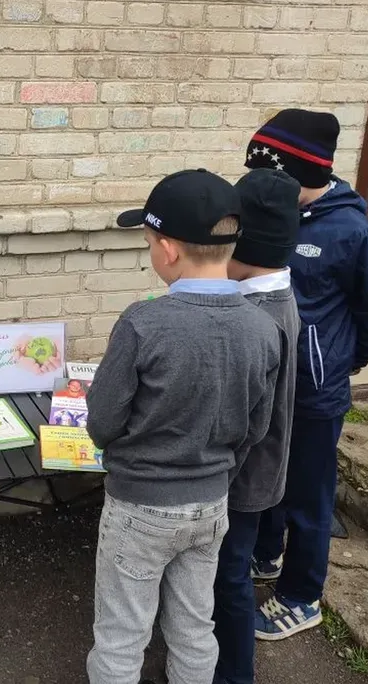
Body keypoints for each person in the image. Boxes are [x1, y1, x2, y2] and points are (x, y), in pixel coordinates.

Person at [83, 169, 282, 684]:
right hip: (212, 504)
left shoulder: (142, 322)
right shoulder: (264, 327)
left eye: (149, 243)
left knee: (122, 636)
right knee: (195, 628)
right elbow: (257, 427)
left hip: (139, 505)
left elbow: (103, 420)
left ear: (168, 250)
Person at [246, 109, 368, 640]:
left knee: (307, 495)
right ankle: (266, 554)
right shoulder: (272, 213)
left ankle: (301, 596)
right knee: (265, 474)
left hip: (315, 390)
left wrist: (341, 360)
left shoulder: (354, 233)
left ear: (300, 173)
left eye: (268, 174)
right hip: (266, 382)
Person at [213, 168, 302, 684]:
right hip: (257, 468)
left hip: (242, 476)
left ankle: (233, 673)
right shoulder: (276, 296)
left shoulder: (257, 317)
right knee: (228, 570)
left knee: (229, 577)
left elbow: (240, 416)